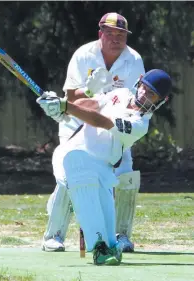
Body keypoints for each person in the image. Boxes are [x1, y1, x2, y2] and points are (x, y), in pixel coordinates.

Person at [37, 69, 172, 265]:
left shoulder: (139, 124)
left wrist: (66, 106)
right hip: (73, 154)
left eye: (151, 94)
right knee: (81, 173)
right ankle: (98, 248)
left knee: (111, 239)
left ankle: (106, 244)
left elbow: (102, 121)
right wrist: (60, 105)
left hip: (102, 168)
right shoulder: (122, 93)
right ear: (140, 81)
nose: (144, 95)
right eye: (144, 88)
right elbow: (92, 104)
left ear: (161, 101)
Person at [43, 12, 145, 253]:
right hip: (76, 125)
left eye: (120, 35)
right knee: (70, 179)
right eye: (110, 34)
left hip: (111, 126)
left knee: (126, 175)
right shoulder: (84, 55)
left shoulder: (134, 60)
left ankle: (121, 235)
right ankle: (53, 235)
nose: (115, 39)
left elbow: (133, 100)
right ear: (101, 34)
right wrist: (89, 90)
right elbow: (69, 97)